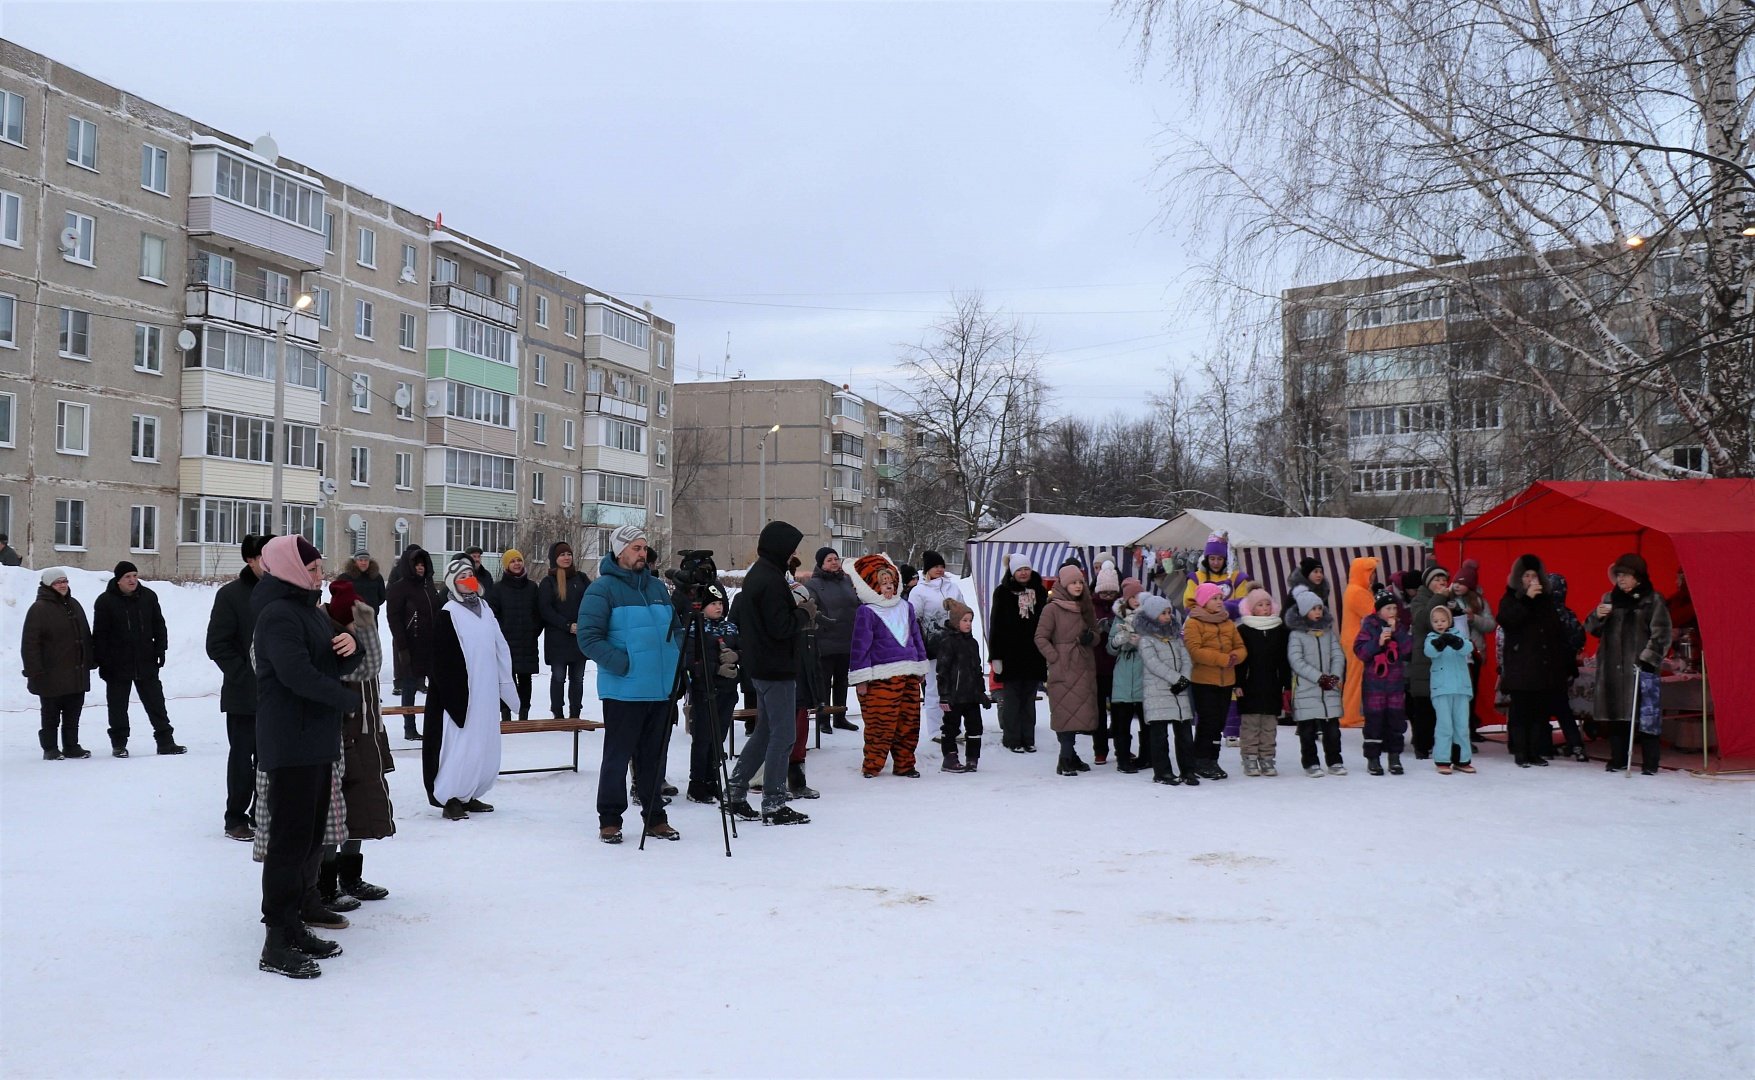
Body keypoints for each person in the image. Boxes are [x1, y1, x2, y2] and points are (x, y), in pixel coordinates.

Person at [250, 535, 359, 979]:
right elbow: (296, 675)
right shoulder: (277, 615)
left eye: (320, 568)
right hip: (289, 743)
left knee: (311, 838)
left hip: (316, 740)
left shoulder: (310, 611)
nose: (320, 575)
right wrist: (343, 699)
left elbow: (335, 662)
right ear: (291, 570)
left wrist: (353, 645)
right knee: (289, 843)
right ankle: (276, 938)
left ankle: (294, 924)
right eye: (312, 569)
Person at [578, 525, 687, 842]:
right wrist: (624, 663)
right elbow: (588, 638)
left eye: (644, 548)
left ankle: (655, 818)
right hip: (625, 690)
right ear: (619, 551)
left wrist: (676, 657)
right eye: (636, 548)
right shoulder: (602, 589)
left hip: (661, 688)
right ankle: (610, 819)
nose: (643, 553)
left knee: (654, 758)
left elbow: (676, 629)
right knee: (617, 756)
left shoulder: (656, 588)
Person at [722, 522, 812, 825]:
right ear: (780, 548)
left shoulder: (760, 574)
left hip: (762, 667)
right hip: (775, 669)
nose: (795, 553)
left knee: (764, 732)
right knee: (784, 735)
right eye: (792, 547)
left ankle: (735, 792)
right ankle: (774, 802)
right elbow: (781, 627)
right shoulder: (770, 580)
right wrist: (805, 613)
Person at [320, 578, 393, 905]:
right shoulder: (333, 642)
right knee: (334, 816)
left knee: (361, 809)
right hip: (343, 738)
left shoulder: (360, 637)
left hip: (367, 736)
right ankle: (325, 883)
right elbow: (357, 673)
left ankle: (351, 876)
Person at [427, 557, 516, 821]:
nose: (469, 581)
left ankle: (470, 792)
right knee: (460, 744)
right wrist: (455, 696)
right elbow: (442, 660)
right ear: (454, 583)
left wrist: (505, 684)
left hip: (485, 691)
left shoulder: (486, 610)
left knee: (482, 742)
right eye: (463, 577)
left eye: (471, 575)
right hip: (461, 694)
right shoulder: (449, 613)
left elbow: (500, 646)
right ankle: (451, 796)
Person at [206, 534, 271, 840]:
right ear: (250, 560)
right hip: (244, 694)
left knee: (270, 758)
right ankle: (235, 817)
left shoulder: (282, 592)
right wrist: (245, 675)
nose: (269, 564)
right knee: (243, 758)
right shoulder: (231, 595)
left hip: (279, 695)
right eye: (263, 558)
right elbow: (217, 644)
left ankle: (262, 813)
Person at [1585, 553, 1673, 775]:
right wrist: (1597, 615)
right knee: (1616, 717)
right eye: (1618, 575)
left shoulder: (1653, 600)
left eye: (1625, 575)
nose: (1620, 579)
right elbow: (1591, 629)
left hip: (1640, 668)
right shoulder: (1609, 598)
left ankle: (1650, 763)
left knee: (1646, 716)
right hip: (1612, 669)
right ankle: (1618, 759)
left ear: (1638, 577)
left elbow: (1662, 632)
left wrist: (1648, 658)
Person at [849, 553, 931, 779]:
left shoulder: (906, 607)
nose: (888, 587)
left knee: (909, 722)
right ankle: (873, 764)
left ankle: (905, 764)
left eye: (891, 582)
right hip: (880, 678)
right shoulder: (867, 611)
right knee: (880, 724)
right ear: (872, 586)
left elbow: (916, 637)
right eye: (883, 583)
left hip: (909, 674)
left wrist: (920, 666)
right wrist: (861, 679)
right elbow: (860, 647)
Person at [91, 560, 184, 756]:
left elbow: (159, 625)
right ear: (118, 581)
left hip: (145, 659)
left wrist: (160, 650)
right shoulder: (105, 601)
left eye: (134, 575)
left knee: (156, 703)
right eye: (127, 577)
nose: (132, 580)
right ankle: (119, 744)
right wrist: (103, 661)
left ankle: (166, 741)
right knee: (118, 707)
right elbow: (100, 635)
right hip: (117, 664)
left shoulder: (148, 596)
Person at [1497, 553, 1575, 768]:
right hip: (1520, 665)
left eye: (1534, 575)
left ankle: (1536, 751)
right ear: (1519, 578)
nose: (1531, 579)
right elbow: (1507, 620)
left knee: (1539, 713)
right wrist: (1526, 599)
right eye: (1526, 575)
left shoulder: (1546, 601)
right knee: (1521, 711)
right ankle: (1521, 752)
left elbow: (1555, 632)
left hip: (1543, 666)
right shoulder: (1511, 598)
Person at [22, 567, 96, 760]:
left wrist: (90, 659)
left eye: (65, 581)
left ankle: (71, 746)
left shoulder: (74, 604)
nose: (63, 585)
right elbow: (30, 643)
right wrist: (33, 670)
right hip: (50, 673)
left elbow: (85, 635)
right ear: (48, 585)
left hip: (76, 671)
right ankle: (50, 748)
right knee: (51, 714)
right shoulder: (38, 609)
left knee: (73, 713)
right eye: (58, 582)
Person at [1033, 562, 1099, 777]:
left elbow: (1096, 633)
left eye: (1080, 582)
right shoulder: (1052, 608)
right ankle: (1065, 757)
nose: (1078, 586)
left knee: (1079, 713)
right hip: (1064, 667)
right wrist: (1056, 657)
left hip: (1083, 665)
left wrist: (1091, 638)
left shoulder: (1085, 606)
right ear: (1064, 584)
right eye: (1073, 582)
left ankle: (1070, 755)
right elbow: (1040, 637)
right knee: (1065, 713)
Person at [1183, 581, 1246, 780]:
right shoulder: (1194, 622)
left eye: (1221, 598)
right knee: (1207, 722)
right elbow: (1194, 651)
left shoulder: (1227, 622)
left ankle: (1212, 759)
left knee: (1219, 722)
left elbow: (1241, 647)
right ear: (1203, 601)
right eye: (1215, 598)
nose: (1220, 602)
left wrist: (1235, 656)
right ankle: (1201, 758)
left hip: (1226, 681)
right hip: (1204, 681)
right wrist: (1222, 659)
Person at [683, 584, 740, 803]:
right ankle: (697, 783)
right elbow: (690, 660)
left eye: (720, 603)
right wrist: (716, 668)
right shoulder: (695, 629)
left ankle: (712, 779)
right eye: (713, 604)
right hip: (704, 689)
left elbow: (743, 649)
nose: (718, 608)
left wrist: (736, 656)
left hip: (727, 690)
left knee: (719, 737)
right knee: (703, 737)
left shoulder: (730, 628)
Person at [988, 553, 1049, 753]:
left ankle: (1028, 738)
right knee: (1012, 700)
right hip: (1010, 654)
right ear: (1013, 572)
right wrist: (995, 656)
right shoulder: (1003, 592)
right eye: (1019, 569)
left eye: (1026, 569)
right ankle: (1012, 739)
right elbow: (995, 625)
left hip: (1033, 653)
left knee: (1029, 699)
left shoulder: (1039, 591)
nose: (1023, 573)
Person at [1135, 592, 1198, 785]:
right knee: (1159, 736)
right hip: (1158, 693)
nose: (1168, 616)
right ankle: (1162, 772)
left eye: (1169, 612)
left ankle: (1188, 770)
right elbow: (1153, 664)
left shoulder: (1175, 639)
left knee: (1185, 735)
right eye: (1163, 612)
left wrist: (1185, 678)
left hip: (1179, 693)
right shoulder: (1146, 640)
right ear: (1153, 615)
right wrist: (1176, 678)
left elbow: (1186, 659)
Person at [1287, 587, 1347, 776]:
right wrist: (1319, 677)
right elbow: (1296, 661)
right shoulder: (1296, 635)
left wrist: (1335, 676)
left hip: (1329, 690)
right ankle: (1310, 762)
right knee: (1307, 731)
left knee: (1332, 731)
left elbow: (1338, 655)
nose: (1318, 612)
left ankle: (1335, 760)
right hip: (1307, 690)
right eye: (1314, 609)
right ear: (1305, 611)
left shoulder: (1328, 633)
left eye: (1320, 608)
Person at [802, 547, 860, 734]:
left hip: (847, 637)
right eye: (829, 560)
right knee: (824, 682)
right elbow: (812, 611)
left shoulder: (847, 580)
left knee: (843, 680)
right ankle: (823, 718)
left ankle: (840, 716)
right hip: (826, 639)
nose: (834, 562)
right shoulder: (813, 584)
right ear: (821, 563)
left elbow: (855, 603)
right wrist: (826, 623)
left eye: (836, 558)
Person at [1233, 588, 1289, 777]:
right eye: (1259, 605)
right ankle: (1249, 758)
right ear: (1251, 608)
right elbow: (1240, 661)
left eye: (1267, 604)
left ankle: (1267, 758)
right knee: (1250, 723)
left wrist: (1286, 684)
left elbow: (1284, 660)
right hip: (1250, 684)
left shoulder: (1280, 630)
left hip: (1272, 685)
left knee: (1269, 724)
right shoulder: (1243, 630)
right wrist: (1238, 683)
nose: (1264, 608)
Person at [1354, 593, 1412, 776]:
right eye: (1388, 608)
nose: (1392, 612)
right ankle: (1373, 758)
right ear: (1379, 611)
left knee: (1396, 721)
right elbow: (1361, 652)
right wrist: (1377, 642)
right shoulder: (1369, 626)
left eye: (1395, 608)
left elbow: (1409, 650)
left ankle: (1394, 757)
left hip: (1395, 685)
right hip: (1374, 686)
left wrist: (1398, 633)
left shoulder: (1400, 628)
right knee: (1374, 722)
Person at [386, 545, 437, 741]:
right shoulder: (400, 587)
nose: (420, 567)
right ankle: (409, 727)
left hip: (430, 645)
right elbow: (394, 618)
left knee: (435, 688)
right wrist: (402, 646)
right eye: (416, 564)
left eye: (423, 564)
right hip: (410, 644)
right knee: (409, 687)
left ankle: (434, 724)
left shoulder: (428, 586)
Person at [487, 547, 542, 723]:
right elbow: (492, 615)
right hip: (505, 643)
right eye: (512, 561)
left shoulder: (532, 587)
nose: (516, 564)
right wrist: (500, 635)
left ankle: (524, 714)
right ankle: (506, 715)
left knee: (525, 678)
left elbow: (539, 613)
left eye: (518, 560)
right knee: (505, 679)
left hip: (527, 641)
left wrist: (533, 630)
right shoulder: (497, 589)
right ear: (506, 566)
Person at [1402, 565, 1451, 761]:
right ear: (1428, 583)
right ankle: (1422, 745)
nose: (1441, 583)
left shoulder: (1448, 601)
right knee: (1423, 705)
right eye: (1437, 579)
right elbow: (1424, 621)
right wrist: (1439, 598)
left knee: (1442, 706)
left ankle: (1441, 743)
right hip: (1424, 660)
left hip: (1444, 660)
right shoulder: (1418, 600)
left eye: (1444, 580)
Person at [908, 549, 960, 726]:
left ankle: (953, 726)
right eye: (935, 566)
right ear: (927, 569)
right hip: (931, 645)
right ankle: (935, 728)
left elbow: (964, 611)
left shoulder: (952, 587)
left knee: (953, 686)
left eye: (941, 566)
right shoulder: (919, 591)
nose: (939, 569)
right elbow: (913, 618)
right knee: (933, 688)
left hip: (953, 643)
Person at [935, 598, 987, 773]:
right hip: (954, 697)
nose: (968, 624)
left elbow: (977, 669)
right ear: (956, 621)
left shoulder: (972, 643)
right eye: (964, 620)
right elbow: (942, 670)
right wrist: (944, 695)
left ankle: (972, 758)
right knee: (951, 727)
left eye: (970, 620)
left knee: (975, 727)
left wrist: (981, 692)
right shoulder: (947, 642)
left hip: (971, 696)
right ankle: (949, 758)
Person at [538, 541, 590, 720]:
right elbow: (545, 610)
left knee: (578, 678)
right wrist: (567, 625)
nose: (567, 558)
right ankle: (558, 714)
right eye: (562, 555)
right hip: (558, 639)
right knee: (559, 677)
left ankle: (575, 714)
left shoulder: (581, 578)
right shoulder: (548, 582)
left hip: (579, 638)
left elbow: (592, 602)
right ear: (555, 558)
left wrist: (584, 624)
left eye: (569, 554)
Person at [1422, 605, 1476, 775]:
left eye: (1443, 620)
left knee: (1461, 725)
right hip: (1442, 689)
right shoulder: (1430, 638)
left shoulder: (1459, 635)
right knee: (1444, 725)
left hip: (1460, 688)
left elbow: (1468, 648)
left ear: (1450, 621)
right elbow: (1430, 652)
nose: (1439, 624)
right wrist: (1440, 643)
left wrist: (1456, 642)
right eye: (1436, 621)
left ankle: (1462, 759)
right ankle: (1443, 759)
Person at [1544, 572, 1590, 760]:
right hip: (1563, 668)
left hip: (1546, 667)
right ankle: (1576, 744)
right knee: (1563, 708)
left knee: (1543, 708)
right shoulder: (1568, 614)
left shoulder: (1543, 614)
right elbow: (1580, 637)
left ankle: (1545, 745)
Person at [1450, 560, 1496, 738]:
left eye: (1462, 583)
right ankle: (1459, 730)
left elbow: (1491, 625)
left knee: (1471, 692)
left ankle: (1470, 727)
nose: (1458, 586)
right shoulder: (1448, 599)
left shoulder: (1479, 602)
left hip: (1474, 651)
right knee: (1457, 693)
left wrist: (1474, 618)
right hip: (1454, 652)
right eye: (1456, 582)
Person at [1107, 578, 1147, 773]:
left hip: (1143, 673)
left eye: (1139, 596)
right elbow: (1110, 648)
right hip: (1123, 675)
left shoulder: (1150, 616)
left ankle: (1146, 756)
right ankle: (1122, 759)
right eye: (1132, 597)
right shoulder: (1118, 618)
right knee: (1121, 722)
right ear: (1126, 599)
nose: (1136, 600)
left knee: (1146, 721)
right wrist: (1117, 641)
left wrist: (1142, 642)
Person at [1087, 560, 1122, 766]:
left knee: (1119, 711)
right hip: (1097, 666)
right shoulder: (1090, 607)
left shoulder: (1121, 607)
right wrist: (1096, 632)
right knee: (1098, 712)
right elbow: (1084, 633)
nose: (1108, 596)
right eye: (1105, 592)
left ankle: (1121, 747)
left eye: (1112, 592)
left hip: (1118, 668)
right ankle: (1100, 750)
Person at [1340, 556, 1380, 728]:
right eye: (1371, 573)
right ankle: (1351, 715)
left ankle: (1352, 713)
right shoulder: (1358, 592)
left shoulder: (1354, 589)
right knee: (1355, 678)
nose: (1373, 577)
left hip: (1354, 637)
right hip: (1358, 639)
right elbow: (1374, 613)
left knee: (1354, 677)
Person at [1180, 532, 1251, 612]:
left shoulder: (1237, 577)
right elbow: (1189, 604)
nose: (1216, 563)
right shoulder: (1195, 578)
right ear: (1207, 559)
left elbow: (1243, 603)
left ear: (1225, 560)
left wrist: (1220, 609)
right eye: (1212, 559)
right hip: (1203, 622)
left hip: (1232, 622)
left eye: (1220, 559)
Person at [1281, 556, 1329, 629]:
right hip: (1299, 633)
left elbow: (1325, 614)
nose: (1319, 575)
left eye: (1321, 572)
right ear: (1307, 574)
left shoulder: (1322, 592)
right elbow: (1286, 616)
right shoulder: (1296, 592)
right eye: (1315, 571)